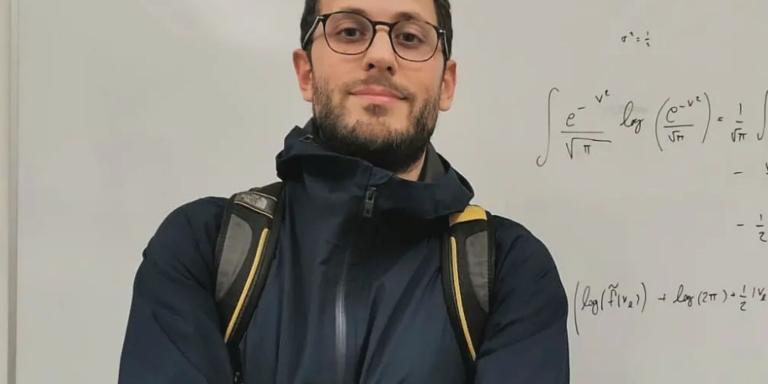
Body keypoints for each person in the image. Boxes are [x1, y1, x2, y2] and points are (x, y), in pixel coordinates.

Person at [118, 0, 570, 383]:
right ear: (306, 73)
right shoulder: (201, 248)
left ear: (446, 84)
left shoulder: (511, 271)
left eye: (410, 37)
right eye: (350, 32)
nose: (379, 55)